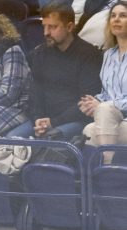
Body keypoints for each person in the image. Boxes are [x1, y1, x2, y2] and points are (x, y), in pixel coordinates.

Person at [7, 3, 102, 140]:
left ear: (69, 27)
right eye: (44, 26)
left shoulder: (89, 55)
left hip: (74, 122)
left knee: (51, 138)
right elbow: (35, 93)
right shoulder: (40, 53)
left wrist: (54, 123)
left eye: (52, 27)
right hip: (44, 122)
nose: (46, 32)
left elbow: (86, 103)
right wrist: (38, 119)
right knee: (11, 139)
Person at [80, 1, 127, 159]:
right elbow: (106, 93)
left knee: (104, 112)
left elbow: (108, 104)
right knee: (89, 130)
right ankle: (100, 178)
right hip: (113, 119)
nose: (116, 19)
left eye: (123, 16)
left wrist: (103, 106)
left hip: (120, 116)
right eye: (113, 16)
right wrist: (93, 102)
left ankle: (107, 168)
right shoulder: (108, 54)